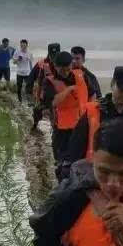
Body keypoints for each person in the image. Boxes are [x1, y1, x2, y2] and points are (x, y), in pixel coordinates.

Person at [62, 66, 123, 176]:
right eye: (122, 90)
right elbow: (75, 149)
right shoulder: (92, 113)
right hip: (95, 175)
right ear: (112, 84)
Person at [41, 51, 91, 180]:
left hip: (82, 127)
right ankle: (62, 187)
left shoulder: (81, 75)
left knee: (81, 161)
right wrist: (68, 90)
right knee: (62, 164)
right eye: (61, 68)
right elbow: (52, 102)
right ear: (55, 66)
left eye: (68, 67)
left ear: (71, 64)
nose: (65, 71)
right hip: (62, 130)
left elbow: (93, 93)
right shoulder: (49, 81)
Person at [30, 42, 60, 130]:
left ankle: (54, 129)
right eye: (52, 55)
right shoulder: (44, 66)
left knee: (55, 116)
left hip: (58, 98)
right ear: (48, 54)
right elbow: (39, 83)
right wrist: (38, 98)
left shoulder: (64, 66)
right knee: (36, 110)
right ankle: (35, 124)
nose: (54, 58)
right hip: (46, 96)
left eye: (56, 55)